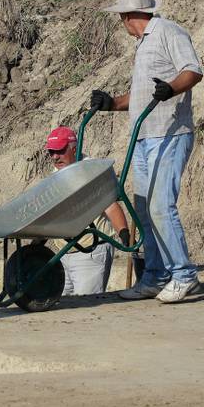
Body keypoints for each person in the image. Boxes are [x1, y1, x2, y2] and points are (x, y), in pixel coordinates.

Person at [90, 0, 204, 303]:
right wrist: (111, 103)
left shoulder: (167, 30)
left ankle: (184, 275)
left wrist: (172, 88)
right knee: (144, 209)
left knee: (159, 205)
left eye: (121, 18)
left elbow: (193, 70)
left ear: (128, 16)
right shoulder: (143, 45)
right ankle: (155, 275)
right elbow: (143, 96)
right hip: (144, 136)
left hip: (169, 133)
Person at [44, 126, 130, 295]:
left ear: (74, 149)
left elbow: (110, 206)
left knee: (87, 306)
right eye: (51, 152)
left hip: (90, 252)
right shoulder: (55, 175)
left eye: (60, 151)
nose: (55, 157)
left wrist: (124, 233)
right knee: (63, 310)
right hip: (64, 253)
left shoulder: (91, 171)